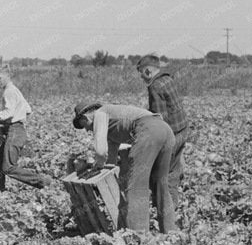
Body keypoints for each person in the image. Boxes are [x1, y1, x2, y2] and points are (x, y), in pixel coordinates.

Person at [71, 99, 177, 234]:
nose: (86, 130)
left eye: (84, 125)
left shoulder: (100, 114)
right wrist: (107, 166)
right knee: (160, 184)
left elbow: (101, 151)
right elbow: (111, 155)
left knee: (136, 187)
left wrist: (97, 165)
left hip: (148, 132)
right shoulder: (112, 122)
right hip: (165, 130)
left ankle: (138, 237)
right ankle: (171, 232)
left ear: (85, 117)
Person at [137, 54, 191, 228]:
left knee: (161, 178)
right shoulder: (168, 79)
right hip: (183, 129)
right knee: (173, 174)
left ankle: (168, 218)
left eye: (141, 72)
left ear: (147, 70)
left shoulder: (154, 87)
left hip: (172, 135)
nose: (140, 76)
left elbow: (160, 120)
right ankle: (173, 213)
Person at [0, 64, 49, 190]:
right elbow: (28, 109)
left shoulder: (8, 92)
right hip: (17, 130)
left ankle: (42, 181)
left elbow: (8, 113)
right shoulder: (15, 90)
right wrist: (16, 113)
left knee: (8, 167)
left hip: (14, 131)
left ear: (7, 76)